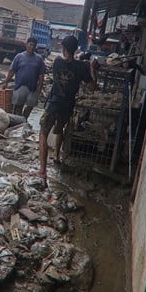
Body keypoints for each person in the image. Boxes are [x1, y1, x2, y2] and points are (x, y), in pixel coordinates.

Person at [38, 35, 98, 184]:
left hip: (54, 103)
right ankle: (57, 156)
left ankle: (42, 171)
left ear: (63, 48)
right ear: (76, 49)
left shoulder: (57, 62)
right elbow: (92, 88)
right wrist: (91, 68)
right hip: (68, 105)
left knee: (43, 133)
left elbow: (66, 61)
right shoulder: (82, 67)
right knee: (60, 129)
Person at [3, 37, 46, 119]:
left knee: (30, 106)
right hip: (20, 85)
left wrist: (39, 88)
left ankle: (24, 120)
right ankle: (18, 122)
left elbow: (41, 75)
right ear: (26, 45)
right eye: (30, 45)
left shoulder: (39, 59)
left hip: (33, 88)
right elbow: (12, 71)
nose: (32, 47)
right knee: (18, 107)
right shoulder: (19, 57)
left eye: (34, 45)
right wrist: (6, 82)